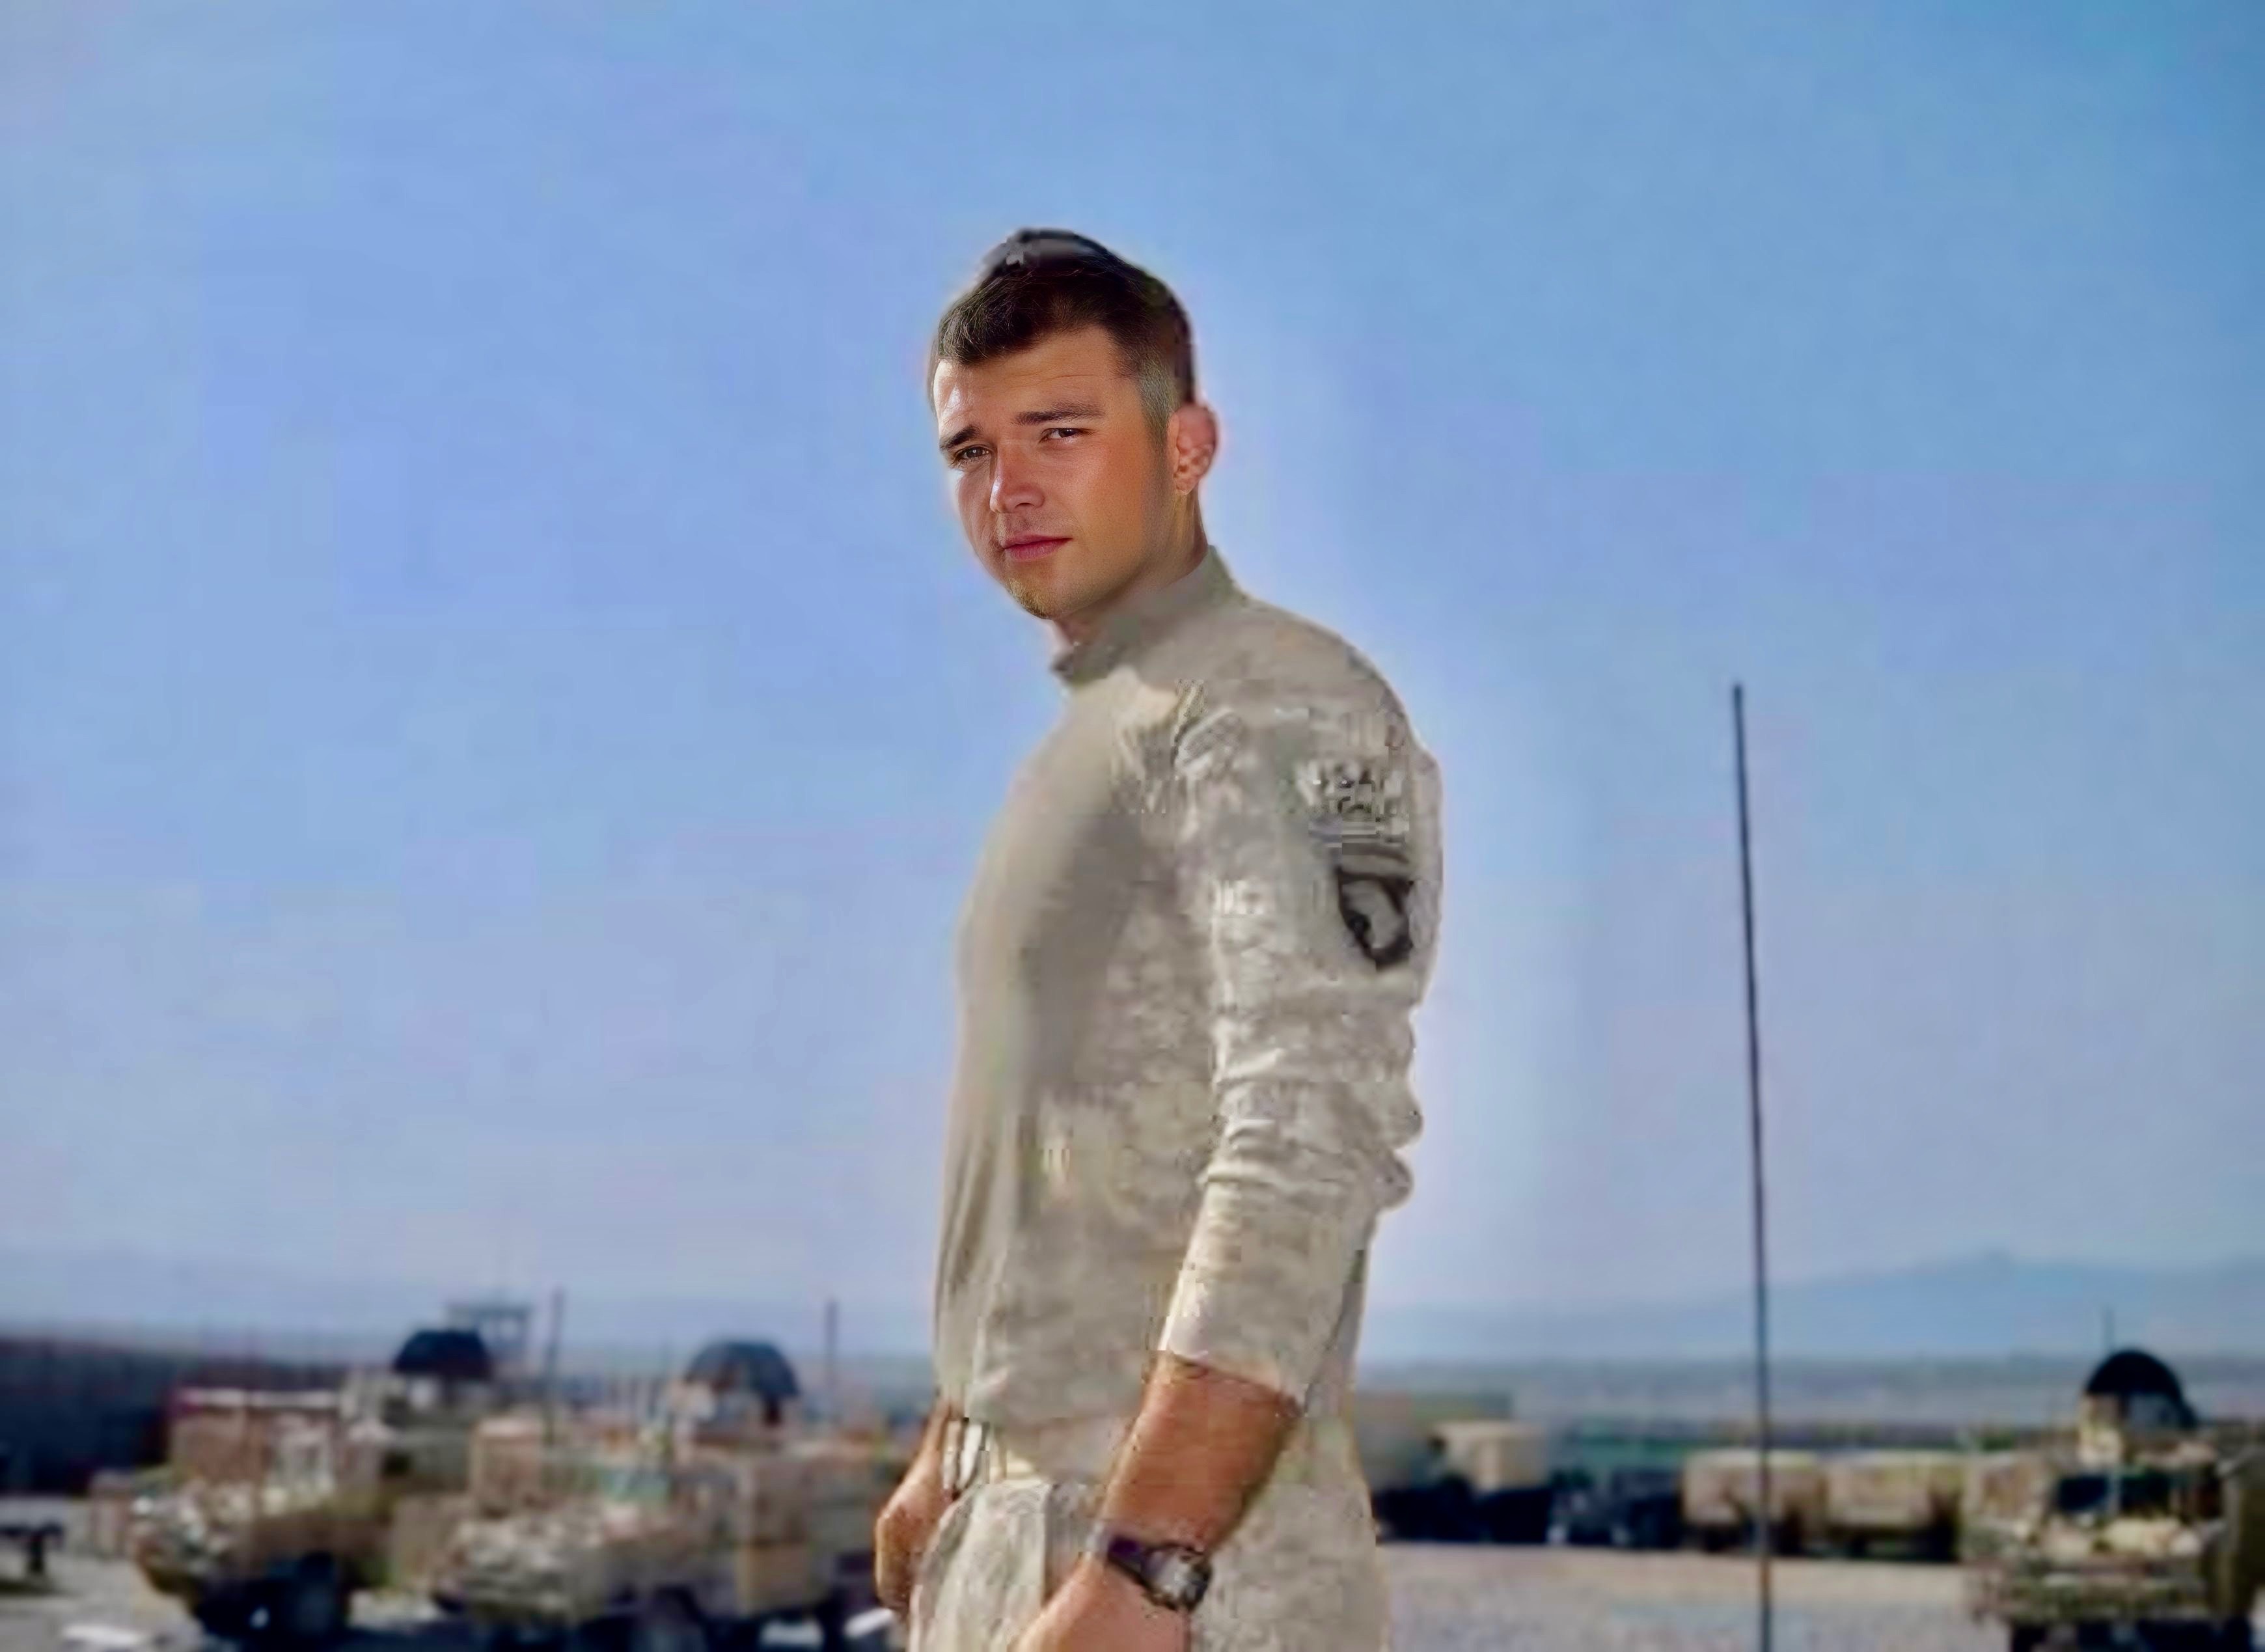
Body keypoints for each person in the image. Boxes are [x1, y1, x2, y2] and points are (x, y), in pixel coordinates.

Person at [872, 228, 1445, 1652]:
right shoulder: (1102, 726)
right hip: (1025, 1529)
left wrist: (1147, 1568)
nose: (1008, 488)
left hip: (1183, 1567)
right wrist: (956, 1439)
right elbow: (1054, 1153)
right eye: (970, 450)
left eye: (1060, 432)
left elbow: (1308, 1135)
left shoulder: (1272, 705)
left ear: (1187, 446)